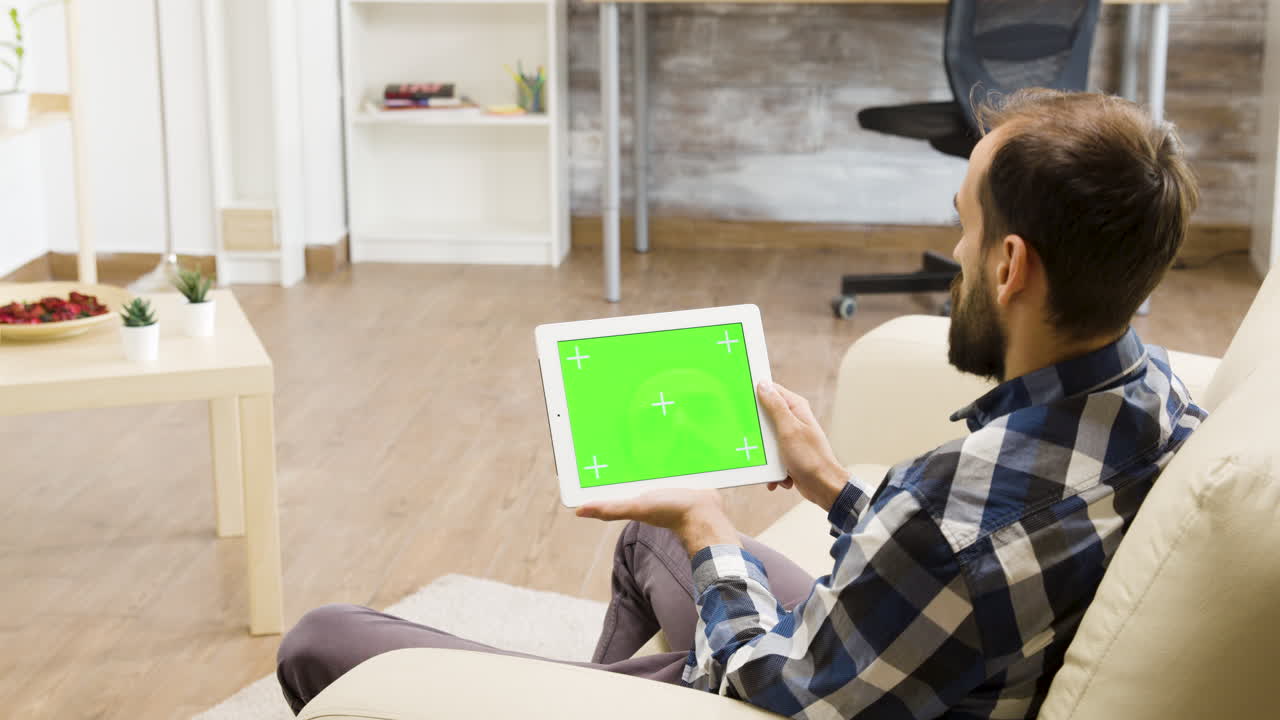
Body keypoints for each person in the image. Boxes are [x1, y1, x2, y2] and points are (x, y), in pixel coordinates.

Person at [276, 89, 1205, 719]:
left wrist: (707, 527)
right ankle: (612, 686)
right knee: (649, 536)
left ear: (1010, 268)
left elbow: (781, 689)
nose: (953, 252)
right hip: (911, 661)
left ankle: (594, 694)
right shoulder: (1156, 398)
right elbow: (959, 578)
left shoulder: (949, 523)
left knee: (323, 640)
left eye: (963, 225)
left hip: (800, 691)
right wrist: (834, 486)